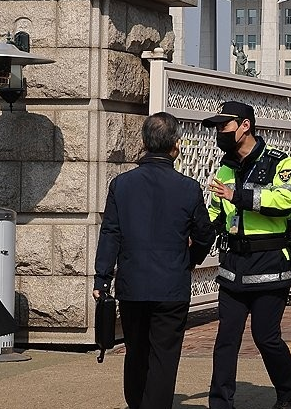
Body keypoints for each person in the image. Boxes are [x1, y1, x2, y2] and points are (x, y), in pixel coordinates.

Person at [92, 112, 216, 409]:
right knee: (164, 355)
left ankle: (137, 403)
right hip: (171, 285)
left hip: (133, 283)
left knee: (136, 351)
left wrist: (101, 277)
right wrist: (190, 259)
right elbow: (204, 234)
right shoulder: (188, 188)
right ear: (175, 145)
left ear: (144, 143)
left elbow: (111, 233)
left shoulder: (122, 185)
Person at [202, 101, 291, 409]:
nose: (220, 132)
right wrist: (194, 238)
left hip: (270, 265)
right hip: (233, 267)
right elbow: (215, 213)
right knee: (226, 339)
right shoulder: (225, 167)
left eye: (224, 126)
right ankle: (220, 403)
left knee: (266, 337)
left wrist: (239, 196)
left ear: (244, 125)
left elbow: (286, 200)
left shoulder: (279, 162)